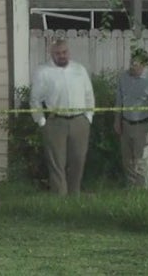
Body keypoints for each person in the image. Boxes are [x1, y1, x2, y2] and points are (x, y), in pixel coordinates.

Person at [29, 39, 95, 195]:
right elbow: (35, 99)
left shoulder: (79, 69)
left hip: (79, 120)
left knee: (78, 159)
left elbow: (89, 94)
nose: (62, 56)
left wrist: (88, 116)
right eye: (58, 53)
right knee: (57, 162)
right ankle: (60, 198)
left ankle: (74, 194)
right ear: (51, 54)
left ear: (68, 52)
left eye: (64, 52)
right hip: (55, 121)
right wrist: (41, 121)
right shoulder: (43, 71)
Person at [114, 47, 148, 189]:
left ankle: (143, 194)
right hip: (126, 124)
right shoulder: (123, 78)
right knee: (128, 162)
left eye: (135, 64)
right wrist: (117, 120)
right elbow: (119, 101)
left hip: (143, 126)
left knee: (141, 163)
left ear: (143, 65)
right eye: (131, 62)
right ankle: (131, 191)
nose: (132, 66)